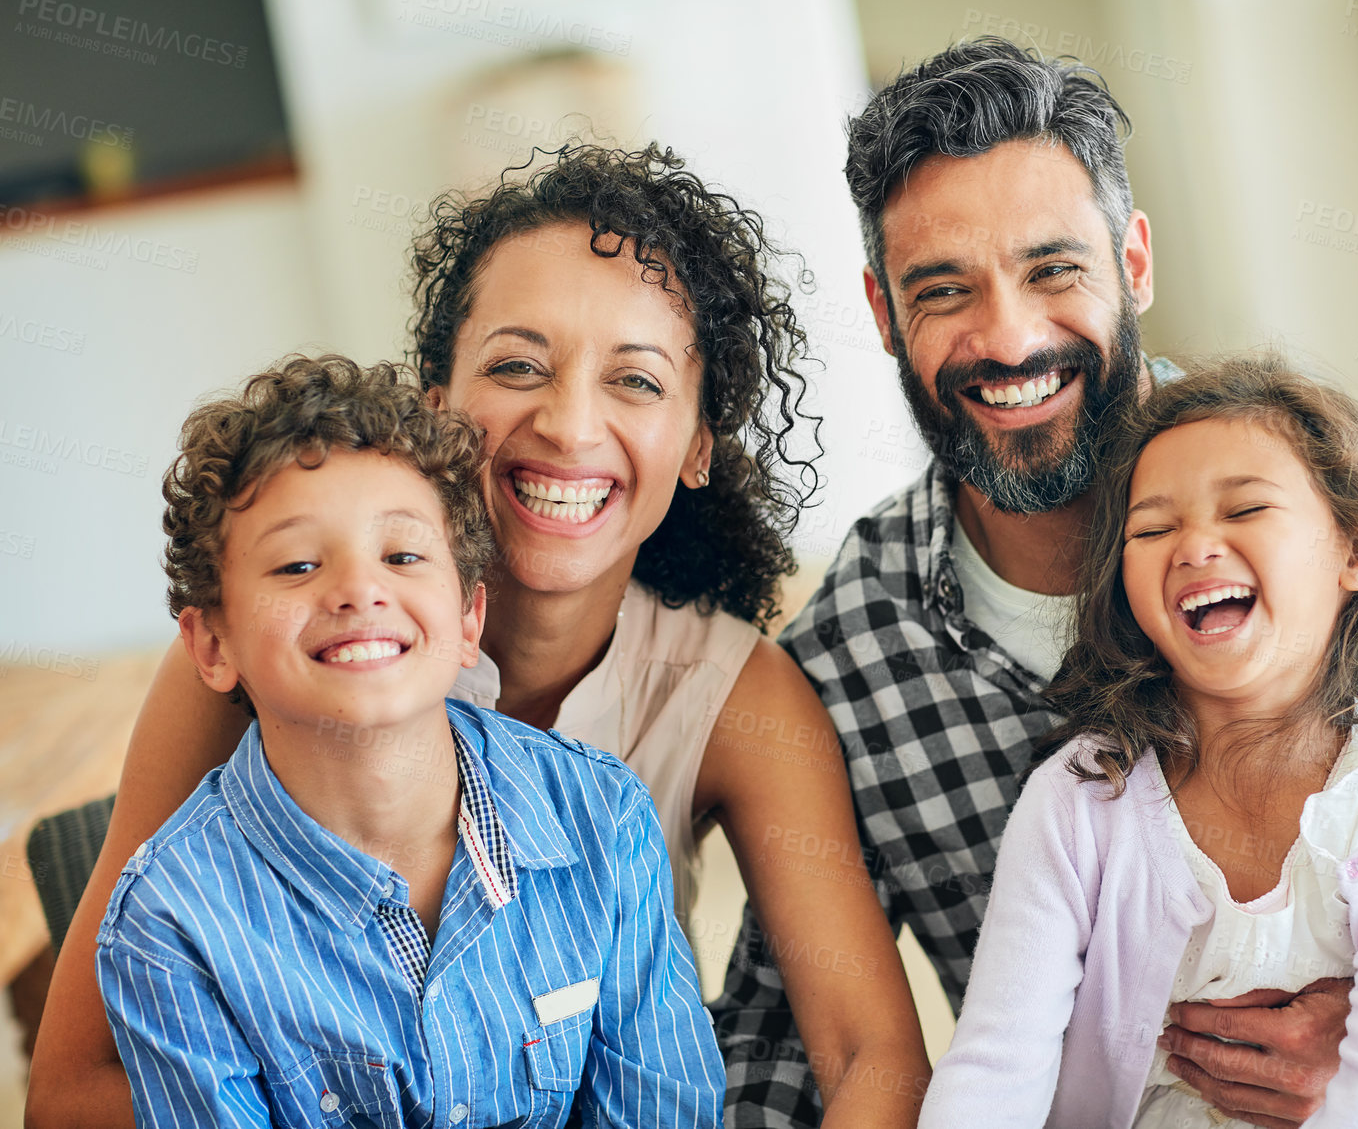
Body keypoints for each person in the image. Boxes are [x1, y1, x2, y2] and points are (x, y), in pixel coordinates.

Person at [711, 39, 1358, 1129]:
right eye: (943, 290)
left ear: (1132, 262)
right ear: (883, 314)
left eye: (1053, 269)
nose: (1010, 336)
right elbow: (779, 1027)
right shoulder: (851, 650)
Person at [28, 144, 930, 1129]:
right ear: (437, 408)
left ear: (698, 440)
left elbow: (868, 1052)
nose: (570, 423)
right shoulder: (273, 650)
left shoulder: (730, 699)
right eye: (516, 365)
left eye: (634, 380)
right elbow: (71, 1086)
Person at [97, 354, 723, 1126]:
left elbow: (662, 1107)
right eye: (297, 564)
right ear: (211, 646)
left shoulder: (603, 817)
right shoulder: (172, 922)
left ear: (468, 618)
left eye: (402, 556)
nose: (360, 589)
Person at [921, 356, 1358, 1128]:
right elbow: (993, 1068)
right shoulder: (1077, 801)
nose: (1194, 546)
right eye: (1153, 527)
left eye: (1244, 511)